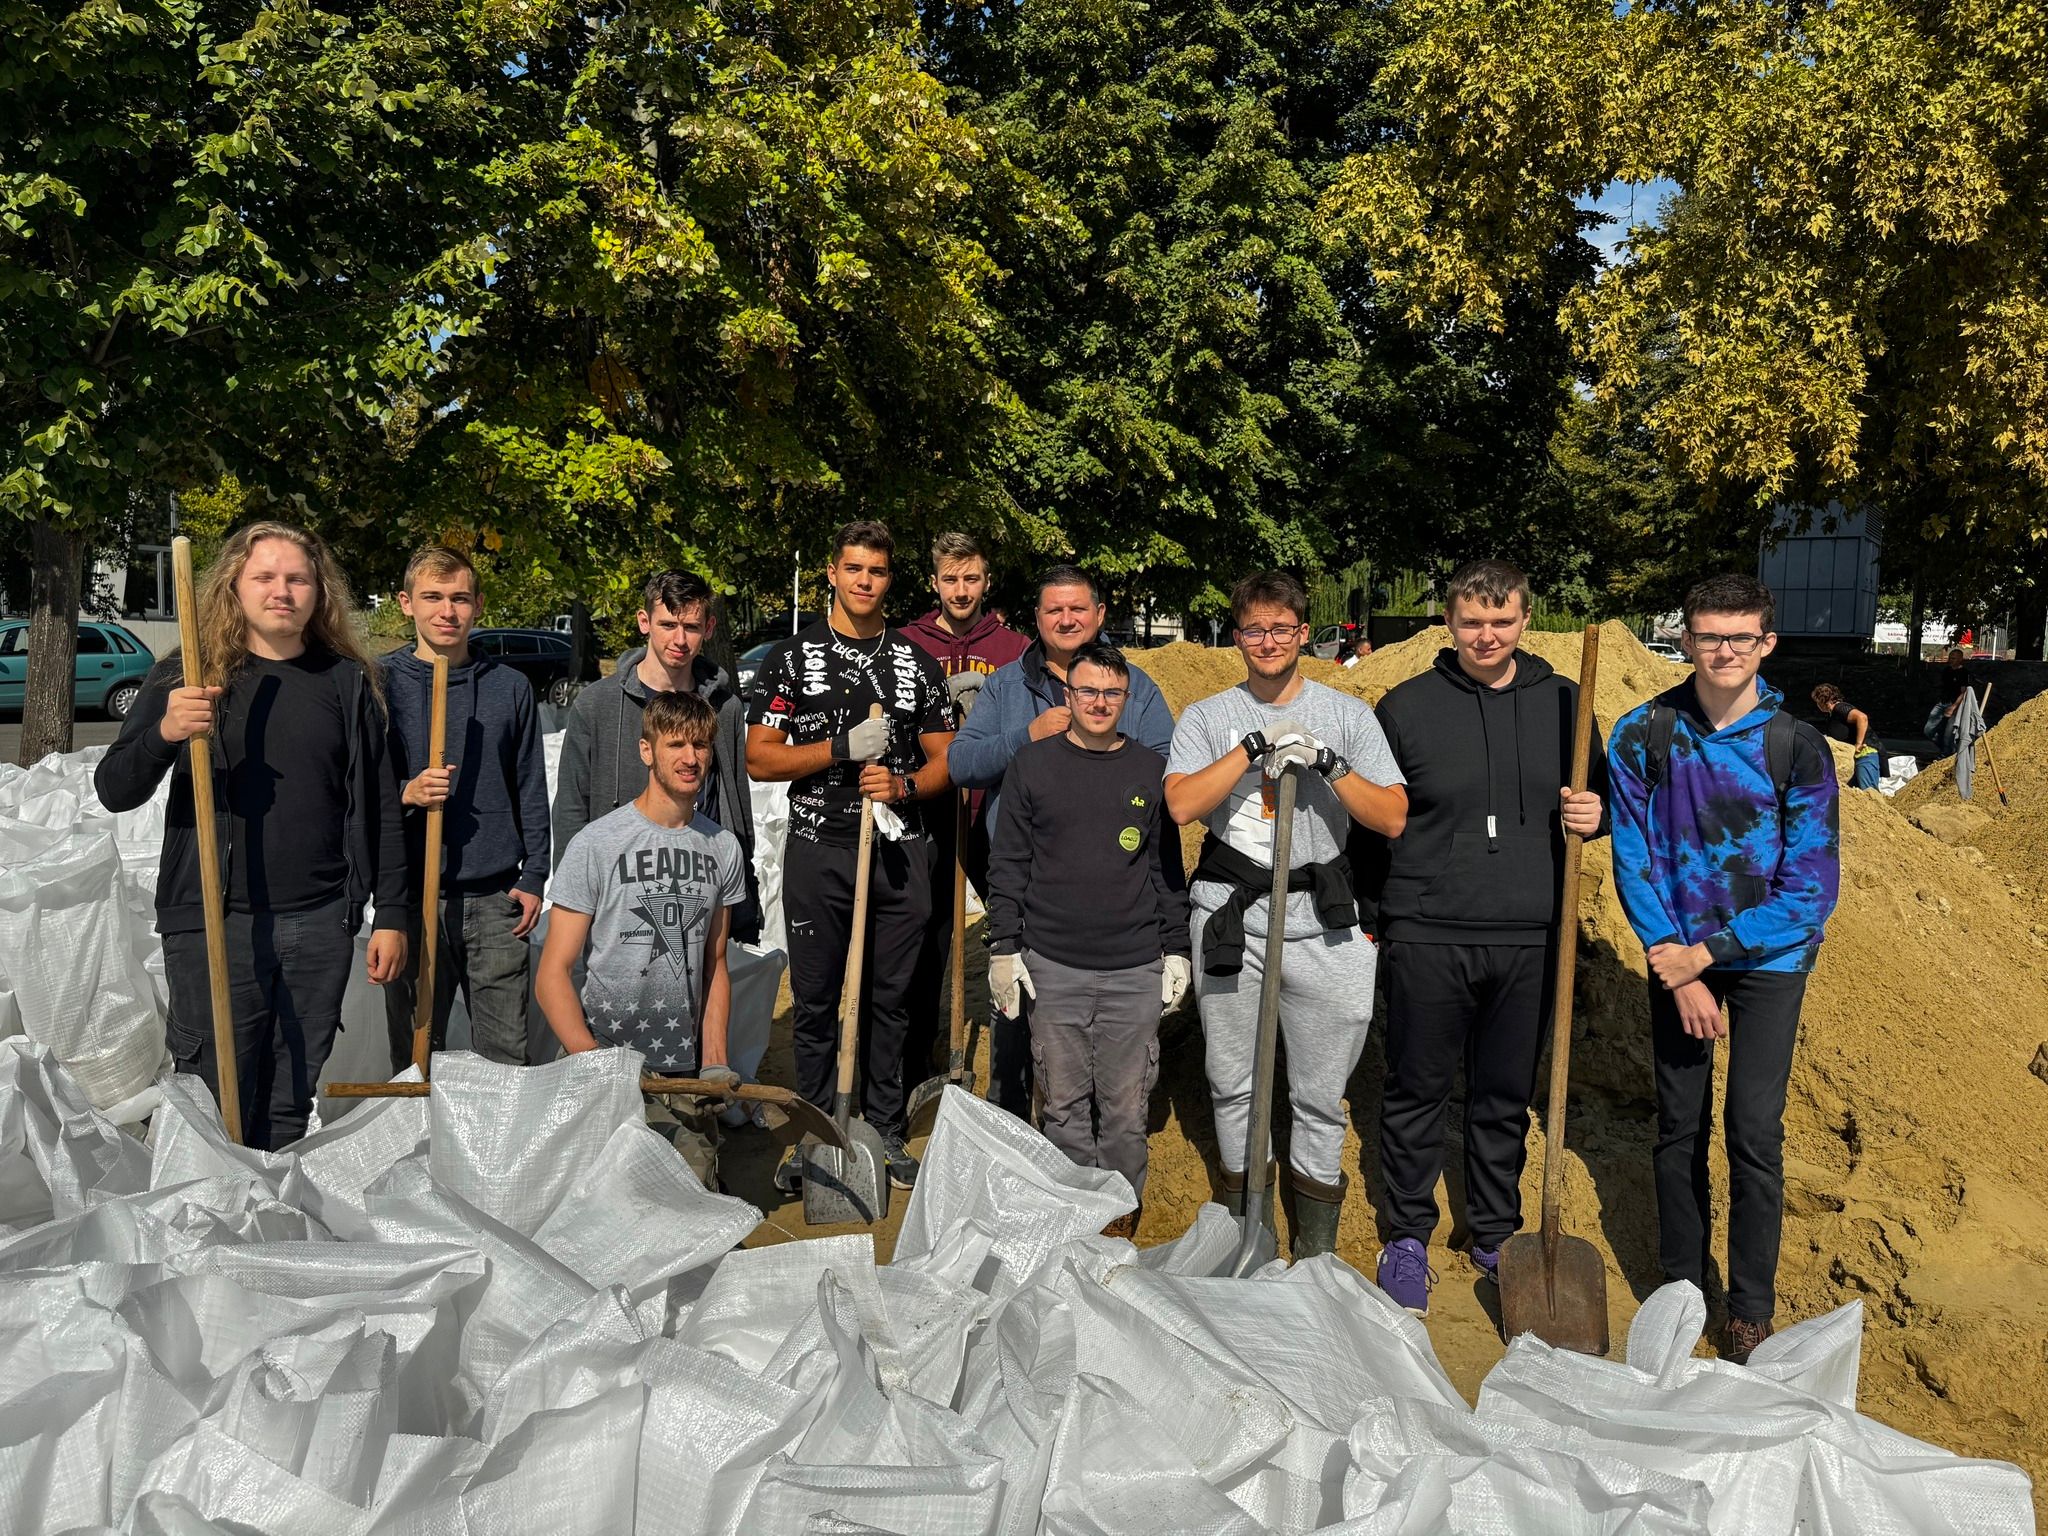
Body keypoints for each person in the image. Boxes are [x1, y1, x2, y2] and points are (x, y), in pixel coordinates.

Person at [94, 522, 409, 1150]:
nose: (282, 591)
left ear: (319, 592)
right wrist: (165, 734)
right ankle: (208, 1225)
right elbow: (114, 788)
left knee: (292, 1093)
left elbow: (379, 807)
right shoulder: (188, 673)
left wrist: (394, 912)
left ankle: (267, 1228)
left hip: (320, 921)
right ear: (234, 586)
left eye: (297, 578)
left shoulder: (347, 684)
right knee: (213, 1091)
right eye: (264, 577)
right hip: (215, 919)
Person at [1608, 574, 1840, 1363]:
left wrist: (1705, 957)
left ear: (1766, 643)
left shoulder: (1797, 747)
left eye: (1741, 637)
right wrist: (1680, 969)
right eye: (1710, 636)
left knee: (1752, 1130)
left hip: (1768, 963)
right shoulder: (1645, 733)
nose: (1725, 651)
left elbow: (1811, 889)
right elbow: (1633, 855)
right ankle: (1680, 1288)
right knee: (1678, 1127)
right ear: (1686, 639)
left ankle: (1748, 1309)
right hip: (1677, 956)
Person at [1369, 560, 1607, 1316]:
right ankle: (1407, 1233)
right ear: (1449, 622)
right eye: (1473, 621)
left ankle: (1495, 1231)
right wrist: (1383, 915)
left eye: (1501, 622)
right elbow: (1374, 824)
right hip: (1430, 929)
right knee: (1416, 1088)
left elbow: (1598, 802)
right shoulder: (1405, 708)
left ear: (1525, 621)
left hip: (1533, 932)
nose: (1487, 635)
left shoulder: (1569, 704)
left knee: (1503, 1095)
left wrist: (1594, 817)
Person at [1164, 571, 1407, 1261]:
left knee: (1320, 1093)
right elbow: (1180, 806)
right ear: (1236, 636)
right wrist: (1247, 751)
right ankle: (1252, 1235)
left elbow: (1391, 816)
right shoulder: (1208, 716)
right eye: (1252, 630)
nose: (1266, 642)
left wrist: (1327, 763)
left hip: (1323, 918)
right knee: (1233, 1081)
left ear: (1304, 634)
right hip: (1233, 914)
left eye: (1281, 629)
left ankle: (1317, 1251)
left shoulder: (1347, 717)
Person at [746, 521, 955, 1191]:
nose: (865, 581)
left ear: (890, 580)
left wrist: (902, 782)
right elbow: (759, 756)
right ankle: (813, 1133)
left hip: (897, 851)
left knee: (893, 999)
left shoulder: (915, 663)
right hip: (820, 848)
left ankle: (886, 1128)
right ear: (833, 574)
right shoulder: (789, 658)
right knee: (814, 1002)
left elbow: (946, 759)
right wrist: (839, 749)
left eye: (878, 571)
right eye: (854, 569)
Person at [948, 564, 1176, 1116]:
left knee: (1097, 1031)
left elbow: (1164, 768)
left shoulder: (1135, 688)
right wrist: (1028, 735)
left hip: (1109, 889)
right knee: (1016, 1015)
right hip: (1024, 882)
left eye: (1078, 609)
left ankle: (1096, 1134)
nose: (1066, 619)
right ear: (1037, 618)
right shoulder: (1006, 686)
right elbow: (961, 762)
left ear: (1099, 616)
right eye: (1054, 609)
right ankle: (1011, 1126)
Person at [985, 642, 1191, 1235]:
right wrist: (1004, 947)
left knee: (1126, 1109)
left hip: (1132, 967)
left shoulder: (1149, 772)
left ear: (1126, 699)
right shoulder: (1034, 765)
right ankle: (1077, 1215)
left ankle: (1121, 1214)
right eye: (1088, 691)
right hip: (1054, 965)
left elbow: (1163, 871)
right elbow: (1010, 864)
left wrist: (1174, 948)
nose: (1100, 703)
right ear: (1068, 697)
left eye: (1112, 693)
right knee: (1064, 1104)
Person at [537, 691, 747, 1187]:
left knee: (686, 1199)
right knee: (596, 1203)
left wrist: (714, 1061)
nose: (690, 758)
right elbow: (552, 974)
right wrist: (592, 1062)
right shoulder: (596, 844)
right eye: (676, 744)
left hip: (681, 1067)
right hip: (603, 1056)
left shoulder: (722, 847)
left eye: (700, 745)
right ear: (646, 751)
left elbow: (716, 964)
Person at [379, 546, 550, 1071]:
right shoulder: (378, 685)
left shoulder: (509, 688)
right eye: (432, 597)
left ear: (477, 605)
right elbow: (357, 791)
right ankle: (421, 1150)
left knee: (503, 1057)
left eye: (459, 598)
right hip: (413, 899)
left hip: (495, 897)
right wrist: (406, 792)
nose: (446, 611)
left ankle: (496, 1154)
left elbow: (530, 786)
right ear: (406, 604)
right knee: (414, 1058)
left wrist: (536, 875)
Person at [553, 570, 758, 941]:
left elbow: (736, 805)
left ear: (709, 628)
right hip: (619, 897)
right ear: (644, 622)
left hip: (704, 887)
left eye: (692, 627)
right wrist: (576, 901)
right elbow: (571, 806)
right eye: (667, 624)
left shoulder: (724, 708)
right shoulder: (597, 705)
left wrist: (746, 890)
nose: (679, 640)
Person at [901, 531, 1029, 1078]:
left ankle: (1017, 1061)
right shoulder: (907, 643)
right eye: (950, 579)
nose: (960, 589)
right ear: (935, 582)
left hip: (993, 813)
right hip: (928, 812)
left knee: (1012, 929)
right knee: (924, 938)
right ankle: (918, 1061)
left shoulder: (1014, 649)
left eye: (970, 578)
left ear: (986, 580)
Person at [1811, 683, 1882, 790]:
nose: (1817, 706)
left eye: (1817, 702)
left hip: (1864, 753)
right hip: (1855, 758)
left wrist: (1858, 744)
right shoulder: (1834, 715)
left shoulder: (1840, 708)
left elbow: (1862, 718)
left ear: (1822, 700)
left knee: (1869, 792)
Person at [1930, 647, 1971, 755]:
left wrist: (1954, 707)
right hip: (1942, 702)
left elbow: (1964, 692)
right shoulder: (1946, 670)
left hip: (1955, 704)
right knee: (1929, 730)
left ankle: (1946, 754)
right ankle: (1944, 748)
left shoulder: (1963, 673)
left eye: (1954, 658)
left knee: (1949, 734)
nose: (1951, 660)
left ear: (1960, 659)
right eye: (1950, 658)